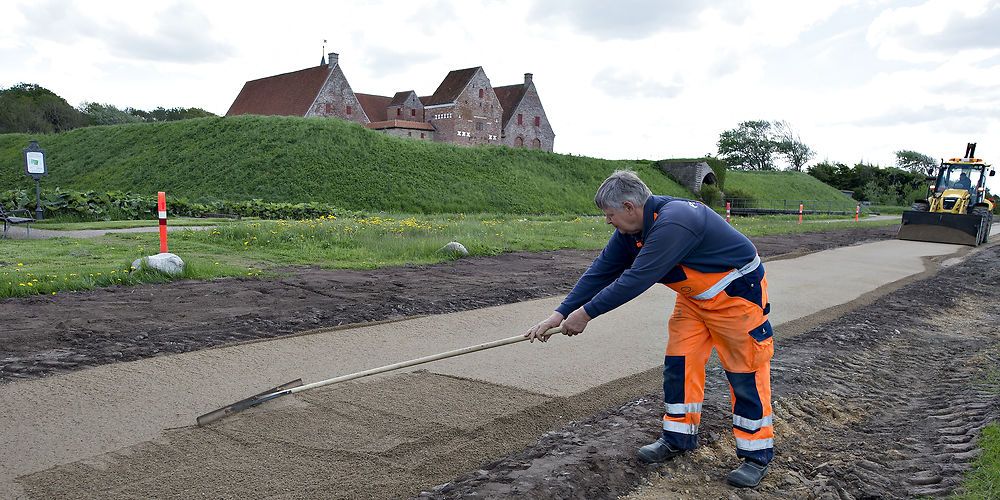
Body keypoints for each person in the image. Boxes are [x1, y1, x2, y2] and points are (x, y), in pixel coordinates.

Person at [525, 170, 774, 488]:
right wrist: (559, 314)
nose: (607, 222)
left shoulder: (675, 222)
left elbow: (636, 279)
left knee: (745, 373)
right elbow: (601, 271)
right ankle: (678, 438)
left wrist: (585, 315)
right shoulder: (632, 231)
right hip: (695, 301)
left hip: (737, 298)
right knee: (679, 364)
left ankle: (756, 455)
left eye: (610, 215)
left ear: (629, 207)